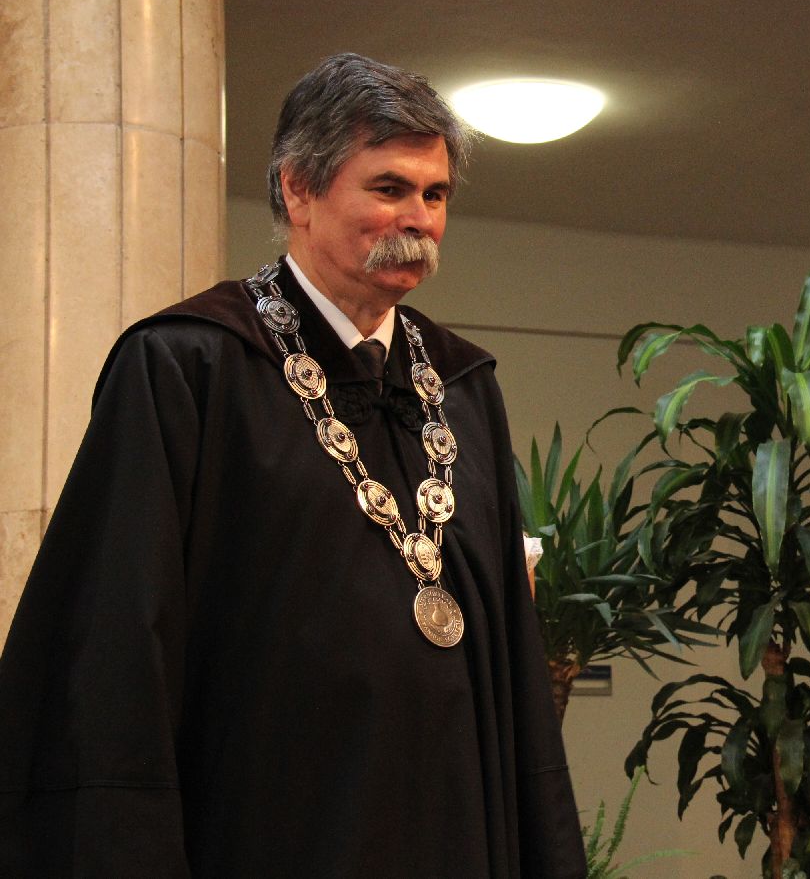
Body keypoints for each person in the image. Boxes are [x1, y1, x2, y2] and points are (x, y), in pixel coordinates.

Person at [0, 53, 585, 877]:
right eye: (389, 188)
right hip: (272, 826)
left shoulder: (463, 386)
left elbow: (513, 665)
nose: (418, 217)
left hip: (454, 828)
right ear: (298, 191)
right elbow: (117, 646)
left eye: (435, 194)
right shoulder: (188, 367)